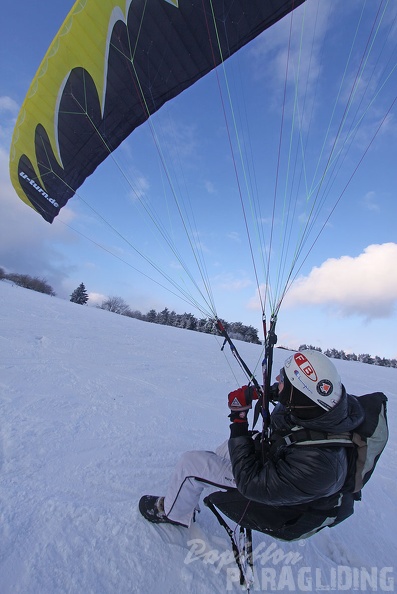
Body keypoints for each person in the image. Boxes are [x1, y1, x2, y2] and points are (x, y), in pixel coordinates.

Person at [139, 349, 365, 539]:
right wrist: (258, 393)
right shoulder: (325, 408)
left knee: (191, 464)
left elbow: (252, 484)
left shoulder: (321, 466)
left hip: (281, 504)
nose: (277, 380)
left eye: (282, 379)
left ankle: (173, 514)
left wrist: (238, 419)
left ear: (297, 396)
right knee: (225, 451)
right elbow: (291, 397)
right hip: (281, 459)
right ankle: (191, 491)